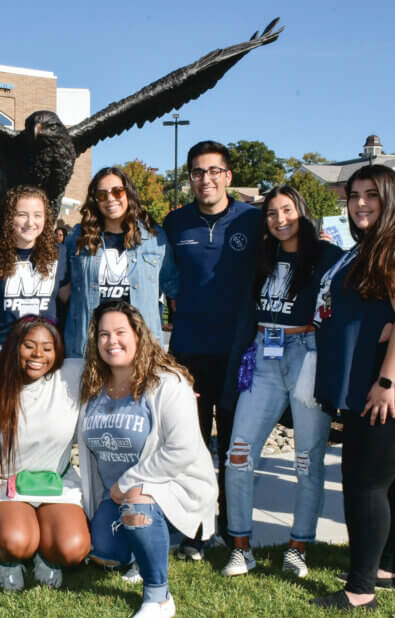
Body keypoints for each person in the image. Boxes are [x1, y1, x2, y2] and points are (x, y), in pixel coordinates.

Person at [313, 165, 395, 609]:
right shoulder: (368, 246)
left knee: (365, 480)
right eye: (354, 195)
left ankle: (359, 590)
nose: (361, 203)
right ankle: (386, 568)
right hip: (388, 372)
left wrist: (386, 381)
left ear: (392, 198)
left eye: (372, 194)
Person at [219, 186, 342, 579]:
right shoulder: (262, 255)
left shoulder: (327, 256)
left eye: (286, 210)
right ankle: (240, 546)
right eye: (271, 213)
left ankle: (299, 546)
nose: (279, 219)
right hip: (263, 354)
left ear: (301, 212)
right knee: (237, 455)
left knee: (307, 462)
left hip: (307, 354)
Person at [78, 300, 217, 618]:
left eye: (121, 332)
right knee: (104, 552)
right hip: (114, 496)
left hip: (167, 490)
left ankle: (158, 597)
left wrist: (128, 482)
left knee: (137, 507)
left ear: (138, 335)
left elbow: (181, 450)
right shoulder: (92, 385)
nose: (112, 341)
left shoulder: (168, 383)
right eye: (103, 335)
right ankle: (140, 554)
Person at [163, 140, 261, 559]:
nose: (206, 179)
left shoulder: (254, 220)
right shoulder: (175, 223)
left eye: (214, 171)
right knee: (194, 443)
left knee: (236, 445)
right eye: (198, 172)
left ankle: (236, 530)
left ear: (228, 176)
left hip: (239, 351)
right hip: (189, 349)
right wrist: (178, 300)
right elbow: (165, 276)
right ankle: (197, 530)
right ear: (190, 179)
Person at [0, 317, 89, 591]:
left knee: (72, 547)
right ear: (14, 347)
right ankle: (8, 560)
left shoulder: (72, 375)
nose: (39, 355)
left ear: (58, 350)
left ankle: (47, 556)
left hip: (56, 483)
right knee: (16, 541)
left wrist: (172, 385)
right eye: (29, 346)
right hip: (5, 485)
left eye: (48, 348)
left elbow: (122, 364)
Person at [64, 167, 177, 359]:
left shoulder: (154, 238)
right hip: (88, 347)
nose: (110, 199)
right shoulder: (78, 237)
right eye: (102, 194)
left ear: (129, 194)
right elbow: (61, 287)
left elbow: (174, 289)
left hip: (140, 349)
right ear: (95, 200)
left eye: (117, 191)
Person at [0, 186, 68, 375]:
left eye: (37, 215)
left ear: (46, 218)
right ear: (9, 217)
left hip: (42, 352)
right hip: (0, 351)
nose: (30, 222)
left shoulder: (60, 254)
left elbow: (70, 299)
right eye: (22, 214)